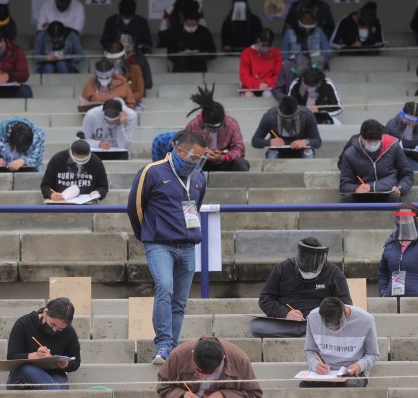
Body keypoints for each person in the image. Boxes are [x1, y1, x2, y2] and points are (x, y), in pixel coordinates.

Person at [127, 131, 208, 364]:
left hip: (188, 245)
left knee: (180, 300)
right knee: (165, 287)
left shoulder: (198, 177)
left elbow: (196, 205)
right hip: (160, 243)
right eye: (194, 157)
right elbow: (134, 207)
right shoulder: (151, 171)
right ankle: (163, 343)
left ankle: (171, 348)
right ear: (180, 150)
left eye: (201, 158)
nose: (197, 162)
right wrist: (146, 235)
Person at [254, 237, 351, 338]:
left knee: (345, 326)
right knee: (256, 326)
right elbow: (265, 299)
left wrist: (324, 315)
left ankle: (311, 331)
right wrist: (285, 314)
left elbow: (346, 304)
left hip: (322, 323)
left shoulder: (334, 272)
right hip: (289, 323)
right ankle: (308, 332)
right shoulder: (283, 268)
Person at [303, 297, 379, 388]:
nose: (333, 329)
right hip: (326, 373)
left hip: (352, 374)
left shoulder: (366, 320)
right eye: (329, 327)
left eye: (337, 326)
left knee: (348, 387)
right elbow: (309, 351)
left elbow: (373, 354)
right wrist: (314, 364)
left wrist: (359, 365)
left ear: (345, 313)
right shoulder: (313, 317)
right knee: (306, 385)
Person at [6, 298, 81, 390]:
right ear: (45, 311)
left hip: (54, 375)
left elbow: (76, 362)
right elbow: (12, 356)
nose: (54, 330)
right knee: (29, 370)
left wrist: (66, 364)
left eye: (60, 328)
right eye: (52, 324)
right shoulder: (24, 323)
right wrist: (35, 356)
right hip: (23, 376)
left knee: (56, 385)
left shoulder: (69, 332)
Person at [157, 337, 262, 397]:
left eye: (213, 372)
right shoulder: (178, 356)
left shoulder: (239, 359)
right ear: (192, 354)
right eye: (199, 370)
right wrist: (181, 395)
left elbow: (254, 394)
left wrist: (224, 395)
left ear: (223, 358)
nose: (203, 376)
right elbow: (163, 387)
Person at [339, 119, 414, 203]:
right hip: (363, 195)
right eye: (370, 143)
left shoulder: (393, 147)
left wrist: (400, 188)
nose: (373, 145)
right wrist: (356, 189)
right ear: (361, 138)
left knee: (393, 199)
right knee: (347, 199)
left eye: (376, 143)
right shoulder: (350, 153)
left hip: (387, 192)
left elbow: (407, 174)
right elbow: (344, 184)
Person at [185, 85, 250, 172]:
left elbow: (239, 149)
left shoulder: (231, 123)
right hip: (201, 163)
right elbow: (183, 148)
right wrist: (201, 153)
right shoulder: (193, 125)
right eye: (211, 127)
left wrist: (223, 157)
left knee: (242, 164)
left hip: (224, 161)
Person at [252, 96, 321, 159]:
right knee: (272, 155)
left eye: (291, 118)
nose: (288, 120)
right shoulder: (269, 116)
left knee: (308, 153)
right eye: (284, 118)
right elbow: (255, 141)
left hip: (301, 148)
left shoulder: (307, 115)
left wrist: (306, 142)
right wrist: (269, 142)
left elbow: (318, 141)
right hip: (278, 149)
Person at [40, 138, 108, 202]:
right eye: (77, 159)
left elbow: (103, 186)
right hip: (61, 203)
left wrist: (98, 192)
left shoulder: (96, 161)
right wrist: (51, 194)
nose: (80, 161)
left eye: (83, 159)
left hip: (86, 204)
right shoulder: (57, 159)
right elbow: (45, 186)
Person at [166, 9, 216, 73]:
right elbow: (170, 52)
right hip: (180, 67)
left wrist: (199, 54)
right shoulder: (176, 31)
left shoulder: (204, 31)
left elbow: (212, 52)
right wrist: (181, 54)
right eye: (189, 20)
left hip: (199, 67)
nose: (192, 22)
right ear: (185, 20)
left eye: (194, 20)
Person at [239, 28, 282, 98]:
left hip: (269, 86)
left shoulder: (276, 52)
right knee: (248, 95)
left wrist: (267, 83)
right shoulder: (246, 53)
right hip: (250, 87)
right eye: (262, 46)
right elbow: (244, 75)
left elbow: (279, 74)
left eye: (268, 47)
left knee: (267, 94)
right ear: (257, 41)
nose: (265, 49)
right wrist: (258, 84)